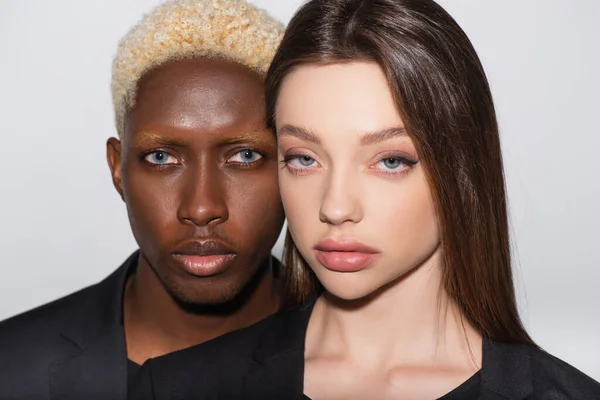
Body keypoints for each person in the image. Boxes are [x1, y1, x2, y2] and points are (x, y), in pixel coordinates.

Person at [129, 0, 600, 399]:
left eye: (390, 161)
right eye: (303, 158)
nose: (334, 207)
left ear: (462, 169)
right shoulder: (175, 386)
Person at [0, 1, 285, 399]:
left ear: (295, 165)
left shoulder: (376, 370)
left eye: (245, 156)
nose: (201, 208)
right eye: (161, 157)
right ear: (118, 168)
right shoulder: (11, 368)